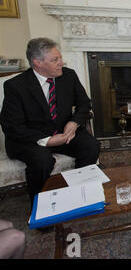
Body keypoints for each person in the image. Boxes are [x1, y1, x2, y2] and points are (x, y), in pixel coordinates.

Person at [0, 38, 100, 206]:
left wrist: (74, 123)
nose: (61, 62)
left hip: (62, 132)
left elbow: (84, 103)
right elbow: (12, 127)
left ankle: (80, 195)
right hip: (29, 139)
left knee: (91, 146)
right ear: (37, 62)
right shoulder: (15, 86)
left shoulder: (68, 76)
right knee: (42, 161)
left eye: (60, 57)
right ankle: (42, 209)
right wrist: (48, 140)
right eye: (55, 60)